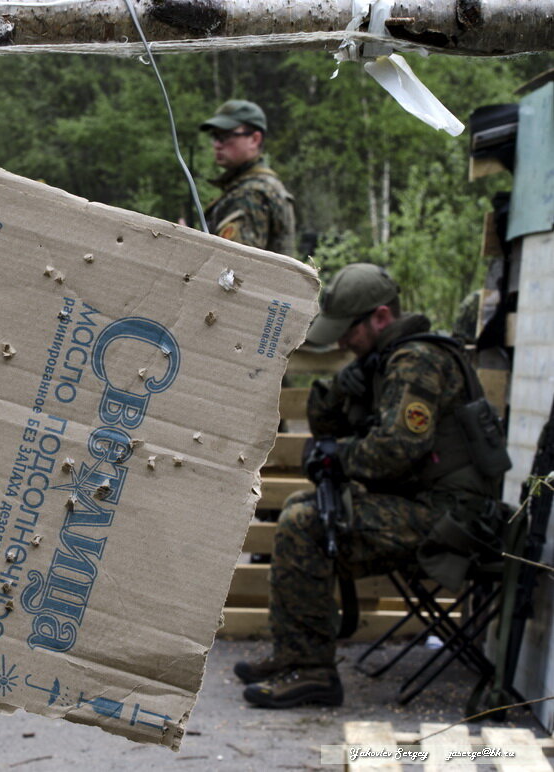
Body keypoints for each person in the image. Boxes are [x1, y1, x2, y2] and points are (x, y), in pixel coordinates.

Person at [238, 263, 507, 708]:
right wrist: (341, 388)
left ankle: (313, 671)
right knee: (305, 510)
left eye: (349, 330)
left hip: (452, 521)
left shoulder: (418, 362)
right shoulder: (382, 361)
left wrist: (337, 457)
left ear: (380, 317)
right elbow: (328, 422)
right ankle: (296, 656)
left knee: (304, 523)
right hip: (427, 507)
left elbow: (396, 451)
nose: (342, 341)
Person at [199, 100, 296, 257]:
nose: (217, 144)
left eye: (225, 136)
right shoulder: (263, 185)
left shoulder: (250, 193)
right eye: (215, 136)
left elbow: (234, 268)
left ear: (254, 139)